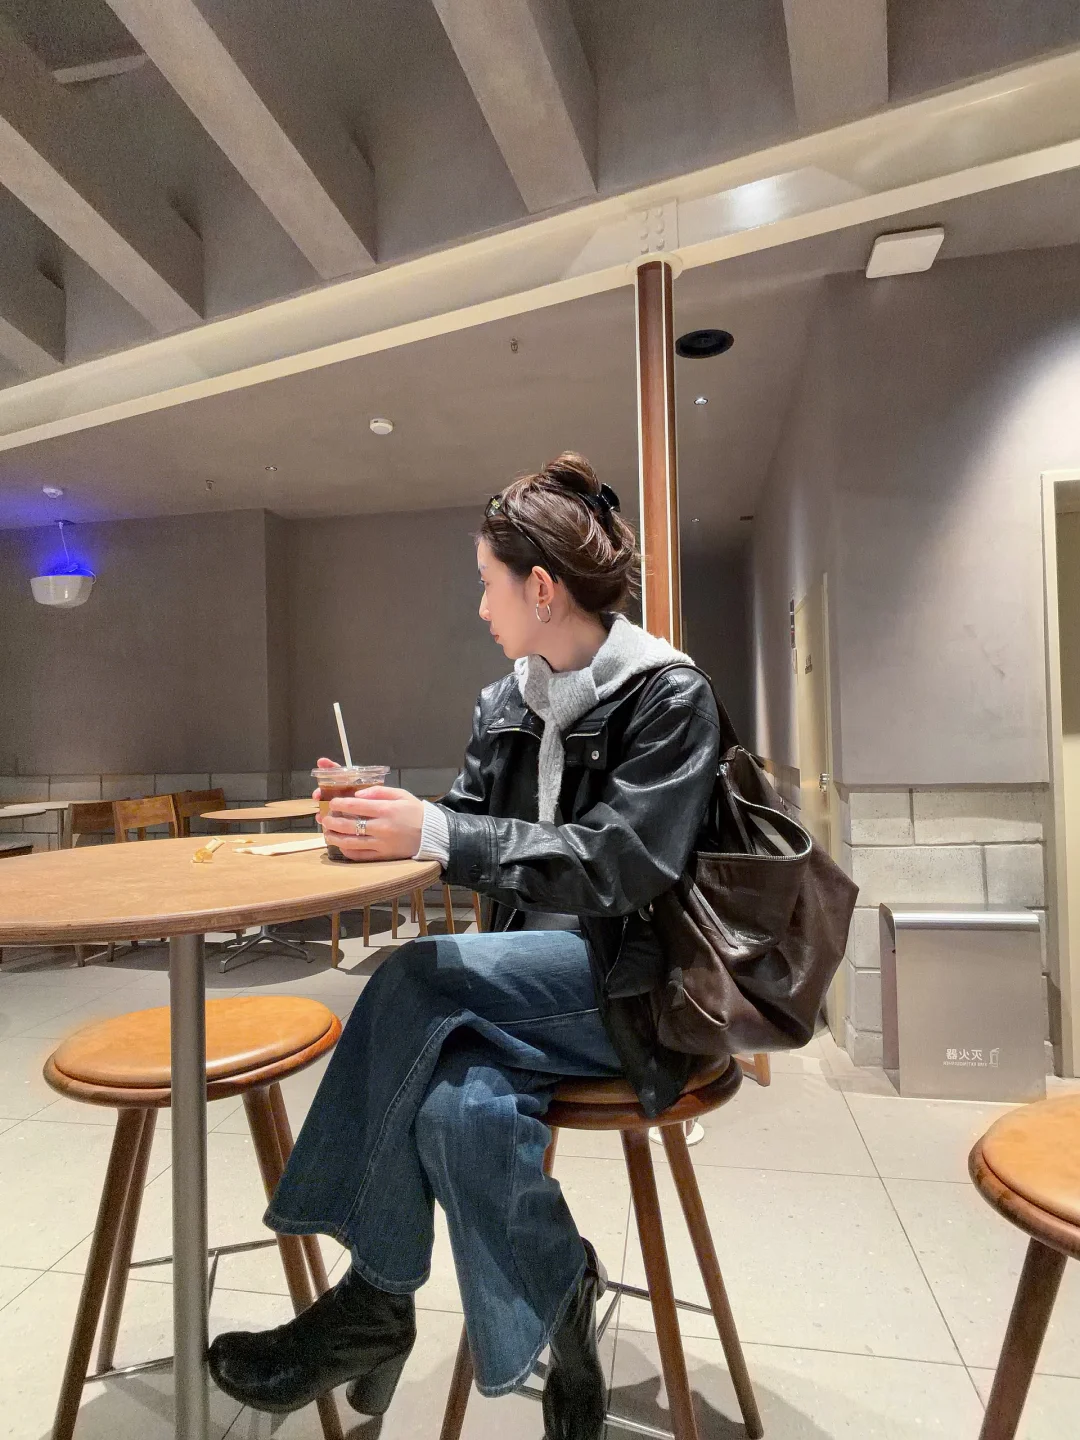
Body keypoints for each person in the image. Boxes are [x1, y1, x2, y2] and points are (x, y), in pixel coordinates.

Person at [208, 453, 723, 1439]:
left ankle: (373, 1302)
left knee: (414, 976)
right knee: (458, 1116)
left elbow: (625, 867)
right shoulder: (505, 704)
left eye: (489, 585)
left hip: (634, 987)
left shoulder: (669, 697)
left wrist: (439, 831)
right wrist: (372, 819)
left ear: (542, 589)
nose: (482, 608)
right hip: (520, 988)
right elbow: (465, 838)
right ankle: (568, 1307)